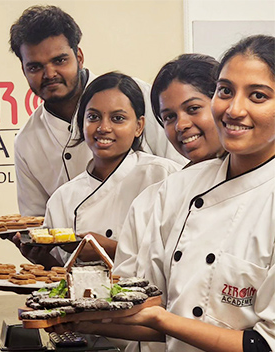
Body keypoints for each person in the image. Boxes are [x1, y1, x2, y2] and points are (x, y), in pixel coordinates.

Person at [49, 35, 275, 352]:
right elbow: (158, 311)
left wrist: (161, 320)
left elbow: (264, 344)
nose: (234, 109)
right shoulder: (173, 191)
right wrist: (72, 318)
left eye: (258, 96)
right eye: (226, 91)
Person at [10, 5, 187, 217]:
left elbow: (182, 176)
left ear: (79, 56)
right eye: (35, 67)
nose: (49, 74)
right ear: (23, 70)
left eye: (59, 60)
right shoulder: (27, 141)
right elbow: (37, 222)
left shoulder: (137, 95)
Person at [15, 72, 181, 268]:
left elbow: (181, 258)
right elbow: (62, 278)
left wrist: (110, 249)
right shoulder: (62, 199)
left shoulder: (165, 176)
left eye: (117, 118)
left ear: (139, 126)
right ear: (81, 123)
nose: (103, 127)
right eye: (93, 117)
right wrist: (41, 259)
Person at [114, 53, 225, 279]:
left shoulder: (263, 190)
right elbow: (125, 286)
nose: (181, 125)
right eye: (169, 117)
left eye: (193, 109)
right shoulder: (152, 200)